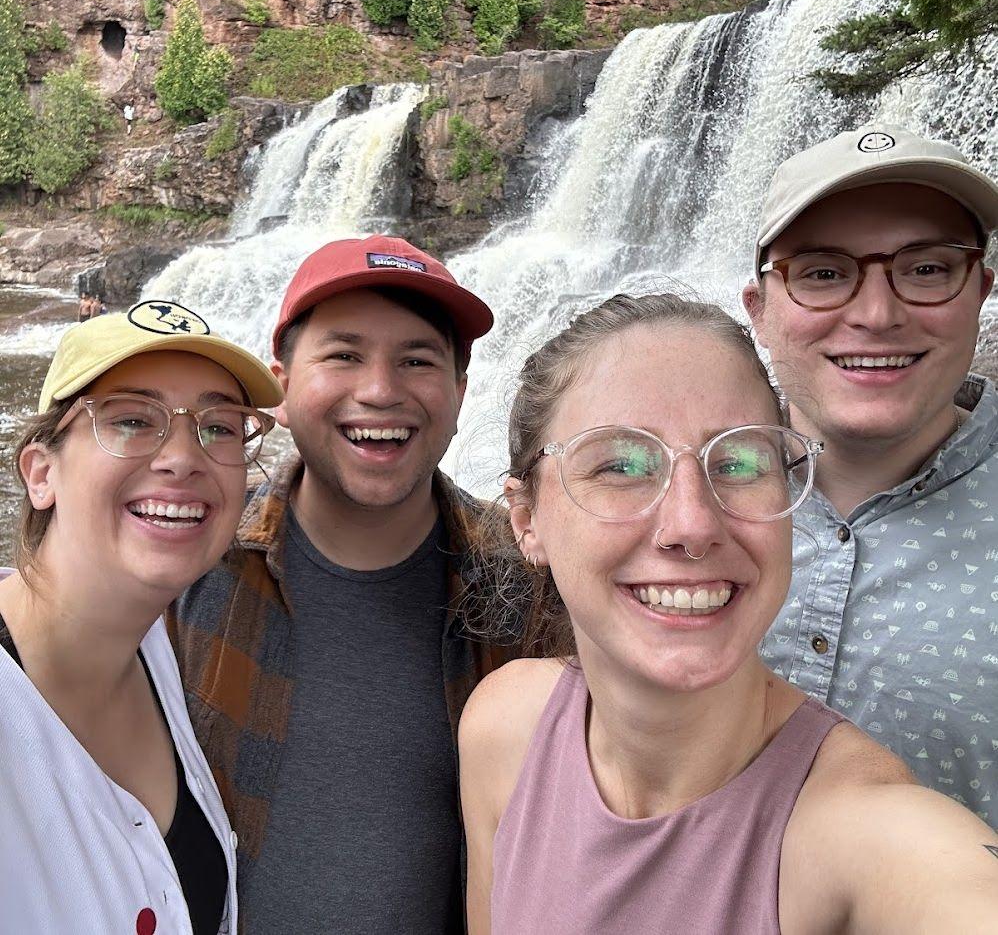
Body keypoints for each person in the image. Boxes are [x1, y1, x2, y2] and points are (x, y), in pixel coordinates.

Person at [459, 293, 998, 935]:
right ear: (526, 521)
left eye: (739, 462)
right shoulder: (506, 728)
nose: (692, 524)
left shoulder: (869, 838)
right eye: (621, 465)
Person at [170, 235, 518, 933]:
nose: (381, 390)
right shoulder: (189, 563)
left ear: (460, 391)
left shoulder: (528, 587)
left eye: (417, 360)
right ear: (282, 386)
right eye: (344, 355)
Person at [0, 299, 284, 933]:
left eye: (219, 426)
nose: (184, 457)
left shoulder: (161, 647)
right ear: (42, 473)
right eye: (131, 419)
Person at [742, 125, 998, 820]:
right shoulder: (674, 494)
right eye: (823, 272)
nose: (878, 314)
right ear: (760, 312)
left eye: (927, 269)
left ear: (981, 290)